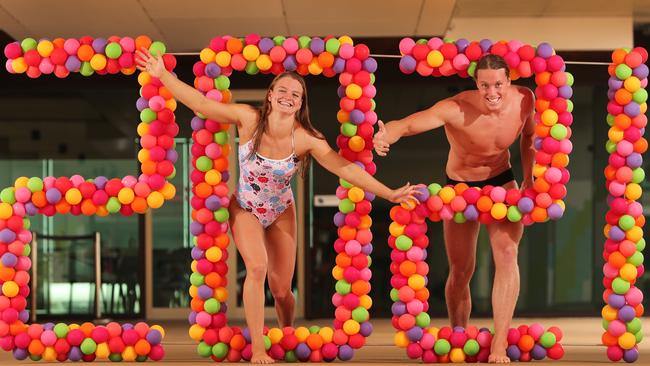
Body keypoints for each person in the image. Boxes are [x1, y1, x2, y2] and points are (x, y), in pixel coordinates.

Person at [136, 50, 418, 364]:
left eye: (296, 94)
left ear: (300, 104)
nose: (288, 96)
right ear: (271, 95)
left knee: (282, 288)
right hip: (245, 207)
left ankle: (286, 330)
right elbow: (202, 104)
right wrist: (163, 75)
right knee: (256, 267)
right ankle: (259, 347)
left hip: (281, 209)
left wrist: (389, 194)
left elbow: (346, 169)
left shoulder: (306, 138)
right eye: (282, 90)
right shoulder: (248, 119)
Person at [373, 54, 535, 364]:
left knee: (507, 254)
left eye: (498, 84)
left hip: (502, 182)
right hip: (459, 188)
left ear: (508, 81)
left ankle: (499, 344)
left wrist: (528, 176)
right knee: (461, 270)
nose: (492, 92)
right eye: (485, 85)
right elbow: (407, 124)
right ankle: (459, 334)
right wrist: (386, 135)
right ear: (476, 83)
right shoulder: (455, 107)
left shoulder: (524, 100)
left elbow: (528, 136)